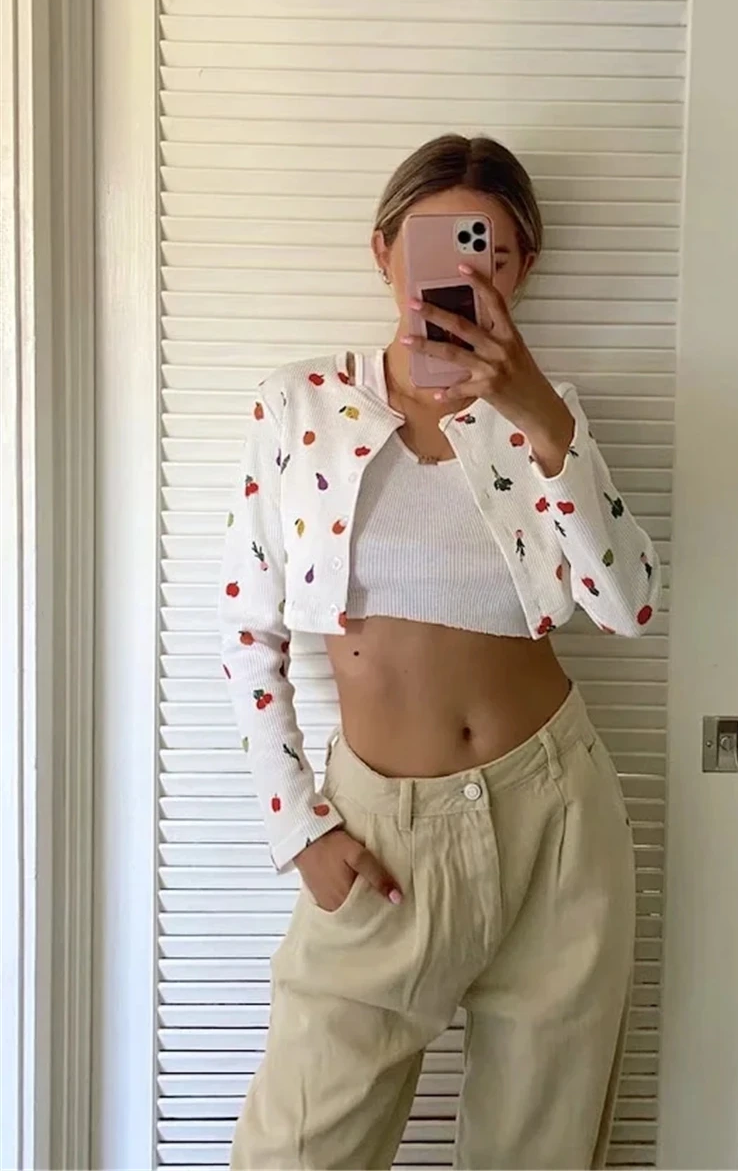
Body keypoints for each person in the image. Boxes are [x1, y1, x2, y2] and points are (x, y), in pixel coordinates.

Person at [220, 133, 660, 1171]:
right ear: (385, 252)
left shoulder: (543, 415)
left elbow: (630, 605)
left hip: (556, 816)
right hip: (378, 831)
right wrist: (299, 829)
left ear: (525, 269)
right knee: (299, 1149)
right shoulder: (299, 404)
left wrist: (542, 418)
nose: (469, 275)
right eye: (440, 246)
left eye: (493, 253)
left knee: (540, 1151)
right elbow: (248, 632)